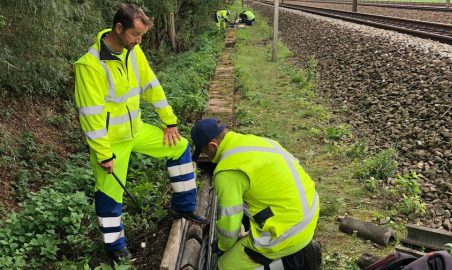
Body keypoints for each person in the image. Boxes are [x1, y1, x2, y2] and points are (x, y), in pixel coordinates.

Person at [74, 4, 206, 262]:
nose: (139, 41)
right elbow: (91, 116)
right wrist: (103, 154)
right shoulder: (90, 66)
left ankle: (183, 207)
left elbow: (152, 86)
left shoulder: (133, 52)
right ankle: (114, 247)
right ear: (119, 28)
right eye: (136, 35)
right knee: (110, 193)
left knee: (179, 147)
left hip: (136, 131)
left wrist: (169, 122)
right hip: (111, 143)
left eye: (142, 36)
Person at [191, 119, 322, 270]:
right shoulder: (258, 142)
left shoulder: (227, 172)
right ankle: (299, 251)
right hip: (309, 213)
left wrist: (222, 247)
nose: (206, 156)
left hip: (290, 231)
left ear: (212, 146)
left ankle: (293, 261)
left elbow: (229, 226)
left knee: (226, 266)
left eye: (204, 152)